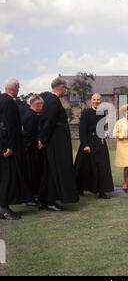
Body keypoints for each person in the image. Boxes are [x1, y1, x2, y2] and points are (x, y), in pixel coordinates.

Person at [38, 77, 79, 211]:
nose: (65, 91)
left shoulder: (49, 100)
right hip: (56, 142)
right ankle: (50, 201)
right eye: (65, 89)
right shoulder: (53, 101)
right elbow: (49, 122)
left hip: (55, 140)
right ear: (61, 88)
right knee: (56, 170)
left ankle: (47, 200)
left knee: (50, 171)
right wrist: (43, 140)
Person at [0, 78, 31, 220]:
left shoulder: (2, 100)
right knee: (8, 177)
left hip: (4, 144)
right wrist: (9, 146)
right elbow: (6, 126)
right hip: (7, 147)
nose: (19, 90)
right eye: (18, 88)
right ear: (14, 87)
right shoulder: (8, 102)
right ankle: (3, 208)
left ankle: (5, 207)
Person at [75, 93, 114, 199]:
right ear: (91, 100)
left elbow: (103, 128)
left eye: (98, 99)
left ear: (101, 101)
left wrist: (102, 137)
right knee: (84, 167)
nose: (96, 101)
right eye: (94, 99)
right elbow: (82, 131)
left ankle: (102, 191)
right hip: (87, 142)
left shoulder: (102, 113)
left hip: (99, 142)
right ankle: (80, 188)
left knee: (102, 167)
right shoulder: (86, 113)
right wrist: (85, 145)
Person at [22, 95, 44, 207]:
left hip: (30, 150)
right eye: (42, 104)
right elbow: (29, 135)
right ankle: (29, 199)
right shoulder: (32, 117)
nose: (43, 107)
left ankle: (32, 196)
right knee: (31, 175)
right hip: (30, 152)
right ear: (37, 105)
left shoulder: (30, 115)